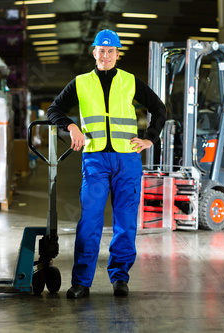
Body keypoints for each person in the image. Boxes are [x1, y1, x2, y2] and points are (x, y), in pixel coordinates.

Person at [47, 29, 166, 298]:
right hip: (96, 159)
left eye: (111, 51)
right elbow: (54, 109)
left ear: (117, 54)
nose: (106, 55)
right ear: (94, 53)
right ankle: (81, 282)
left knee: (125, 220)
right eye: (102, 50)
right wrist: (71, 126)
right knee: (89, 221)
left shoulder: (130, 81)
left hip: (127, 159)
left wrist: (149, 139)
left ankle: (120, 277)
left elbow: (159, 108)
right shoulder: (80, 83)